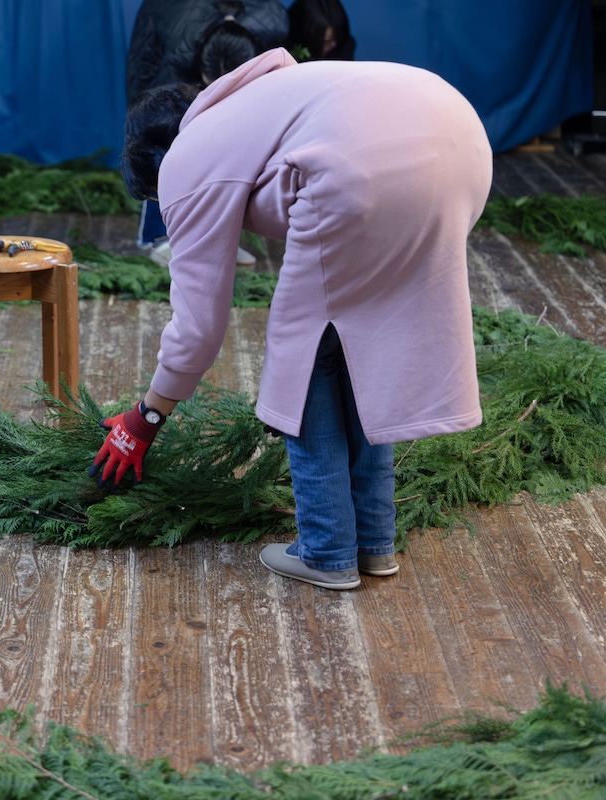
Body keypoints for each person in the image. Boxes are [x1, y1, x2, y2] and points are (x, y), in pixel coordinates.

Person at [89, 48, 493, 591]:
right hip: (461, 143)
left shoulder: (187, 158)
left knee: (303, 355)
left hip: (364, 168)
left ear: (156, 168)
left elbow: (199, 328)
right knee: (360, 347)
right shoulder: (255, 103)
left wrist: (145, 420)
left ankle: (326, 550)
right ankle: (374, 542)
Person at [126, 0, 291, 267]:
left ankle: (223, 240)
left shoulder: (273, 24)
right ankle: (160, 238)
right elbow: (146, 85)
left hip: (224, 31)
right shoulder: (178, 50)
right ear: (200, 69)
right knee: (164, 144)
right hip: (161, 36)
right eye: (212, 85)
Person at [286, 0, 355, 60]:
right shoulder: (285, 53)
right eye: (326, 41)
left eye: (337, 38)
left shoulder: (344, 46)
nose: (334, 44)